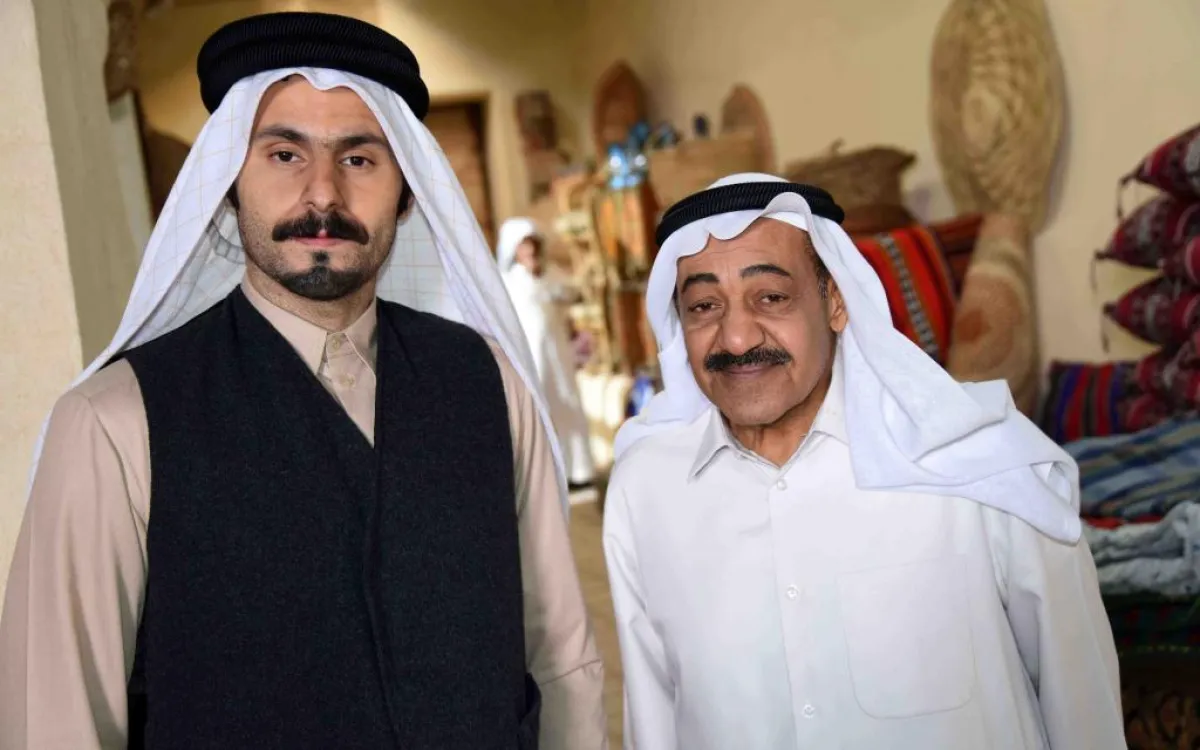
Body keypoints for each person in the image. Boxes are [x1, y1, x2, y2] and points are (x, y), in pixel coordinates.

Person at [0, 12, 607, 750]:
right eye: (285, 154)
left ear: (408, 191)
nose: (323, 194)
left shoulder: (489, 383)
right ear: (229, 183)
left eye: (360, 158)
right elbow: (54, 724)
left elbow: (561, 662)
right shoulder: (114, 423)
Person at [603, 173, 1124, 749]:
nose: (736, 338)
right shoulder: (645, 490)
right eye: (704, 306)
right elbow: (653, 720)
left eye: (771, 297)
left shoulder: (981, 463)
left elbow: (1084, 712)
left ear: (835, 301)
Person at [498, 218, 596, 488]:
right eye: (523, 245)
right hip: (530, 358)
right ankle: (547, 477)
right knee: (538, 413)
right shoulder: (509, 282)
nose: (529, 250)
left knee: (568, 407)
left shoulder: (552, 273)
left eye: (532, 244)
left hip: (558, 356)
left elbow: (571, 294)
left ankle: (578, 471)